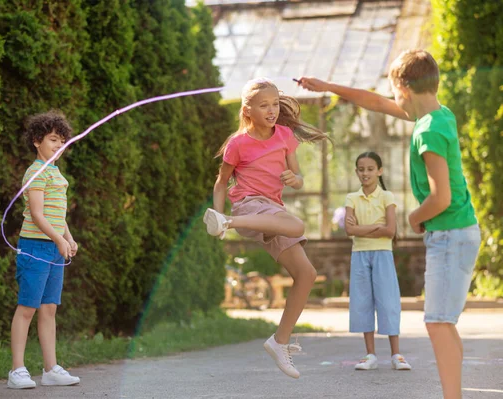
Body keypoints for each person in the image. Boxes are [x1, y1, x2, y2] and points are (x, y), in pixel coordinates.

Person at [298, 49, 480, 399]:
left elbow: (440, 198)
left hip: (450, 233)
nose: (393, 99)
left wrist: (413, 217)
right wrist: (327, 86)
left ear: (405, 90)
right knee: (444, 323)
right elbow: (376, 103)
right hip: (458, 232)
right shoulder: (439, 115)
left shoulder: (427, 131)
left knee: (439, 323)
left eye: (395, 91)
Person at [203, 77, 330, 379]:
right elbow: (221, 183)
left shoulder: (284, 135)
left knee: (306, 274)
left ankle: (279, 341)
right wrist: (219, 216)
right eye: (264, 106)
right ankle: (230, 223)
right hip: (248, 206)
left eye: (274, 104)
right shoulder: (238, 144)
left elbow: (298, 176)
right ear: (248, 111)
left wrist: (293, 179)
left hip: (273, 212)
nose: (272, 110)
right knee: (296, 224)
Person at [7, 110, 81, 389]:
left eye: (62, 142)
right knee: (27, 308)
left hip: (54, 249)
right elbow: (37, 214)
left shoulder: (56, 173)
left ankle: (50, 369)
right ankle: (17, 370)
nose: (58, 146)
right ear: (37, 140)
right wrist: (58, 240)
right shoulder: (35, 171)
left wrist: (68, 238)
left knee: (49, 308)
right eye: (53, 140)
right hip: (35, 247)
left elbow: (56, 214)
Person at [345, 151, 411, 371]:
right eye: (361, 169)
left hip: (383, 254)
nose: (366, 173)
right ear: (356, 172)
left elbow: (390, 231)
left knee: (388, 301)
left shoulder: (387, 197)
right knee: (363, 302)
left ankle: (396, 355)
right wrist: (376, 228)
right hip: (359, 255)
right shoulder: (351, 198)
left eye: (370, 169)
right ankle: (370, 355)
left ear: (379, 171)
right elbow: (349, 230)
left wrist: (361, 229)